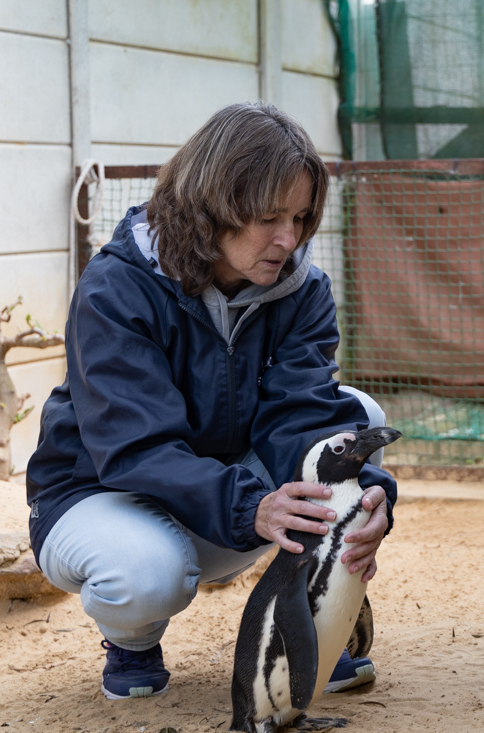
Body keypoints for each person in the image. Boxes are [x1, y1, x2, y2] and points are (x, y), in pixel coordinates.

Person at [26, 103, 394, 700]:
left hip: (220, 494)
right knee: (146, 575)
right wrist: (252, 506)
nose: (289, 239)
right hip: (100, 495)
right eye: (269, 217)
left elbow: (301, 414)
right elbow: (135, 447)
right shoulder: (117, 288)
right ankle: (133, 640)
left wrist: (363, 499)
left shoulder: (300, 291)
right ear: (210, 206)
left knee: (355, 427)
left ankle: (316, 623)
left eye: (300, 217)